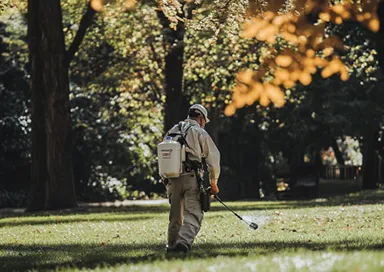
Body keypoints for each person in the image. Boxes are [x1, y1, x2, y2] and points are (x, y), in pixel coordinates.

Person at [164, 104, 220, 256]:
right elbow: (213, 159)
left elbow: (163, 157)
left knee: (175, 216)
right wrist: (213, 183)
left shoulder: (172, 131)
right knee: (194, 214)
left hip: (172, 179)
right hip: (191, 178)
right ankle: (182, 245)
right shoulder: (198, 131)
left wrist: (165, 180)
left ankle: (171, 247)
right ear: (200, 118)